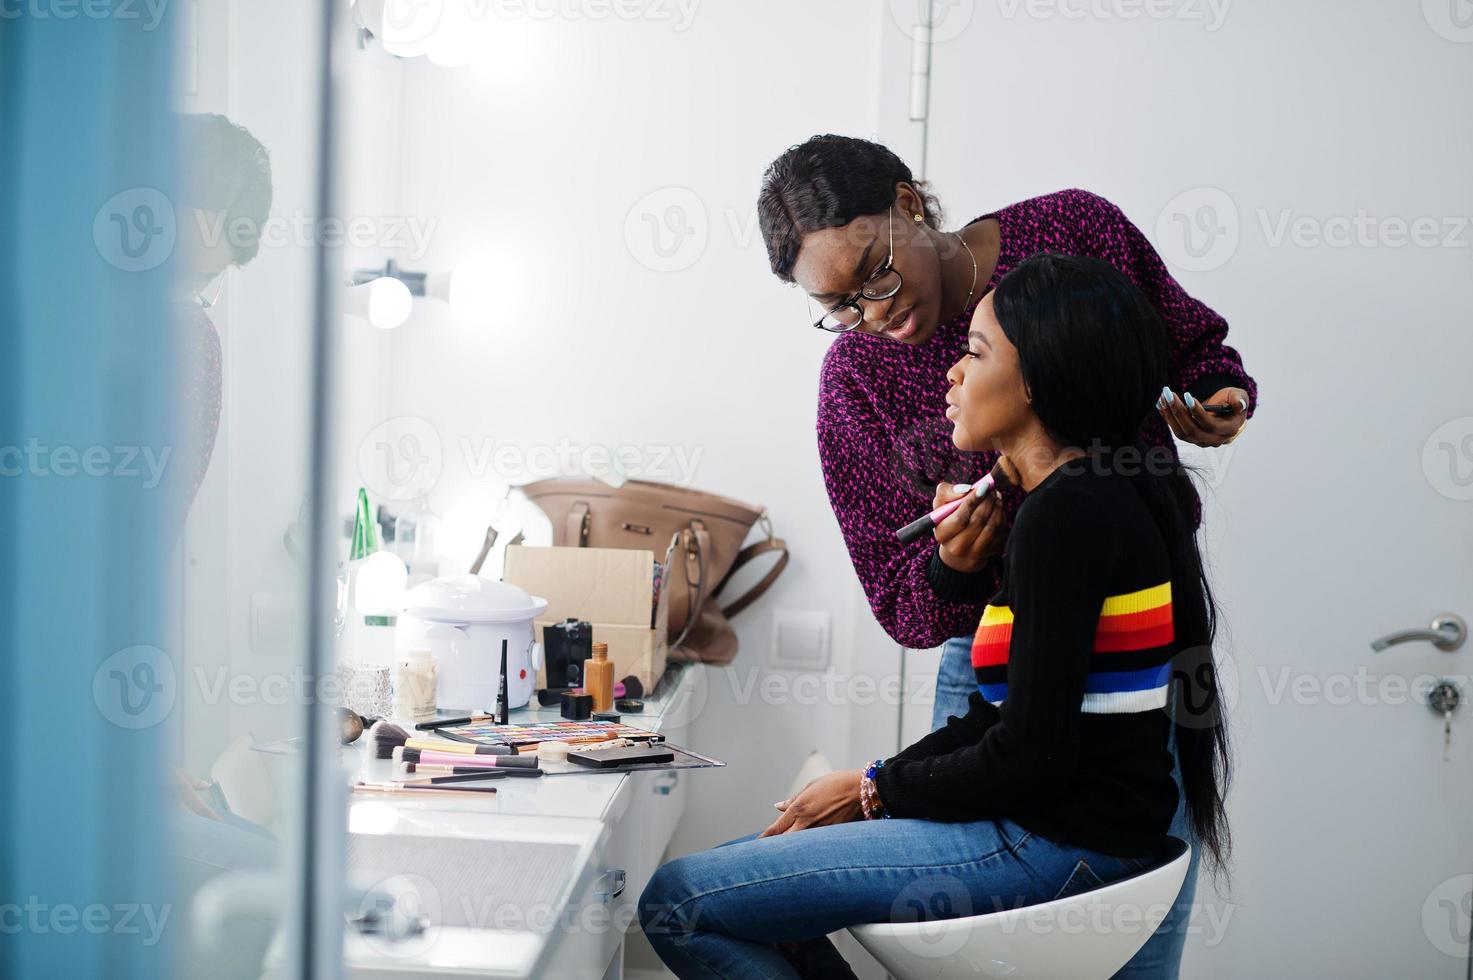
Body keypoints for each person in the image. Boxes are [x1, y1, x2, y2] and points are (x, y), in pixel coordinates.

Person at [640, 253, 1232, 979]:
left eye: (975, 352)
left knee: (678, 899)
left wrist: (873, 790)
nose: (951, 374)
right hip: (1059, 829)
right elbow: (999, 720)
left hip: (1052, 843)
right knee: (742, 882)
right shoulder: (1088, 500)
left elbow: (1027, 756)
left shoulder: (1066, 517)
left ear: (1039, 378)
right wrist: (872, 780)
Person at [755, 134, 1255, 976]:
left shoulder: (1072, 231)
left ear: (909, 205)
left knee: (1125, 926)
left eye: (874, 275)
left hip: (1139, 639)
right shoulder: (855, 381)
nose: (872, 315)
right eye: (838, 305)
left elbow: (1192, 346)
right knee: (987, 953)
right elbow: (902, 604)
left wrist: (1219, 395)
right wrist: (952, 567)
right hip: (996, 666)